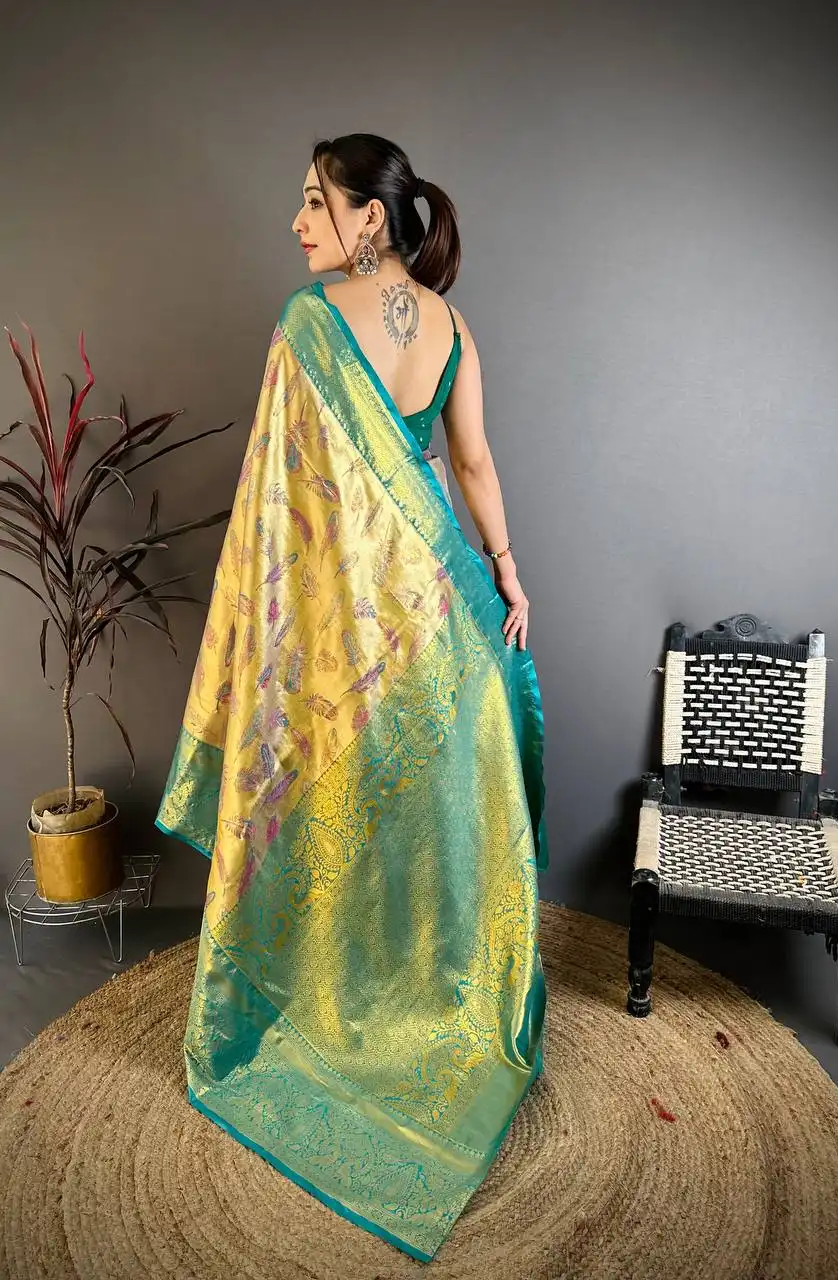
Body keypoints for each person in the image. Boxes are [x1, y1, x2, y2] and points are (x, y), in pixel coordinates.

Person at [156, 133, 548, 1263]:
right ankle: (431, 1009)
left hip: (351, 642)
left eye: (313, 203)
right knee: (427, 837)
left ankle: (346, 1010)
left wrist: (275, 634)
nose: (295, 224)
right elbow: (472, 466)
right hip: (450, 621)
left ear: (369, 218)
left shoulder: (307, 324)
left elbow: (280, 512)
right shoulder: (454, 328)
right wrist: (509, 574)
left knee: (354, 827)